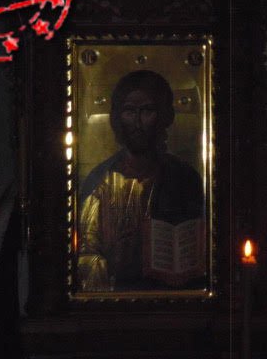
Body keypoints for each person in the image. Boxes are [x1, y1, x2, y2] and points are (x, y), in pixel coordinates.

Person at [77, 70, 204, 291]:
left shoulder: (184, 178)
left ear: (164, 116)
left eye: (147, 111)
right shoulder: (100, 183)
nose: (137, 122)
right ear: (117, 118)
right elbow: (87, 254)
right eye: (129, 111)